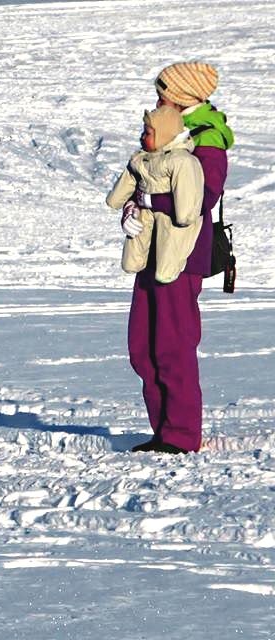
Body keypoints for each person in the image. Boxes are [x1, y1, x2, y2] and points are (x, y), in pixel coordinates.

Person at [119, 61, 235, 454]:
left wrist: (151, 201)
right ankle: (163, 431)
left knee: (172, 345)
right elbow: (141, 183)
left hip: (182, 256)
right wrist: (131, 211)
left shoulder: (207, 140)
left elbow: (202, 198)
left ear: (183, 95)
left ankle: (181, 436)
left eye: (164, 91)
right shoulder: (165, 130)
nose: (158, 98)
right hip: (150, 250)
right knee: (141, 347)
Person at [106, 105, 204, 284]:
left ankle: (171, 261)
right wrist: (130, 205)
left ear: (163, 136)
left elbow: (186, 212)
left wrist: (151, 200)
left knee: (165, 272)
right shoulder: (141, 159)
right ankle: (138, 259)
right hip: (145, 215)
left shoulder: (182, 161)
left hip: (172, 221)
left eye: (148, 134)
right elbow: (115, 199)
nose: (142, 138)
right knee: (130, 263)